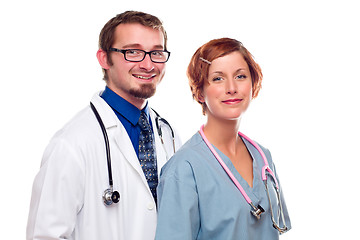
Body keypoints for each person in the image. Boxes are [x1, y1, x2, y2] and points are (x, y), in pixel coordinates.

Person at [26, 11, 181, 240]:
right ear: (104, 58)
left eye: (156, 53)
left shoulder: (168, 134)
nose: (148, 64)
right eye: (133, 52)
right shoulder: (71, 144)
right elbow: (46, 235)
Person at [155, 38, 291, 240]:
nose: (232, 87)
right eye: (218, 79)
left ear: (253, 84)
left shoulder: (263, 157)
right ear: (200, 92)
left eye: (241, 76)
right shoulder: (184, 168)